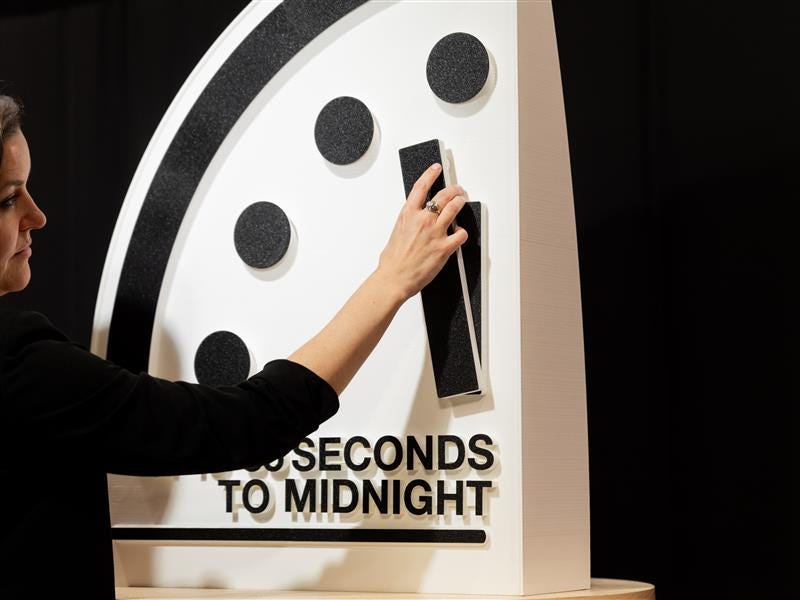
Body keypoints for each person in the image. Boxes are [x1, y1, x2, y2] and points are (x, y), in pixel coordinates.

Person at [0, 94, 468, 597]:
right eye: (9, 198)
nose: (37, 215)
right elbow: (245, 423)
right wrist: (391, 280)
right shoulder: (17, 362)